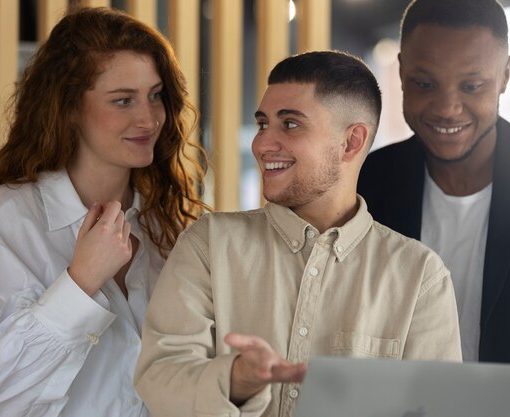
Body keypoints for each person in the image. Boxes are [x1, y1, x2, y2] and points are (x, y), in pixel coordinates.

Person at [134, 50, 461, 417]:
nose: (262, 144)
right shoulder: (208, 244)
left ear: (351, 142)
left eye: (289, 124)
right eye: (262, 124)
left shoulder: (420, 277)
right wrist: (236, 379)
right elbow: (159, 378)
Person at [357, 1, 510, 416]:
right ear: (401, 71)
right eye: (424, 83)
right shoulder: (365, 187)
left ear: (505, 75)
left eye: (472, 86)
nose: (447, 108)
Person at [0, 6, 208, 417]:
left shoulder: (169, 227)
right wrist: (79, 283)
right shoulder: (9, 218)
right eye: (123, 100)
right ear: (68, 107)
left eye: (155, 96)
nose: (148, 118)